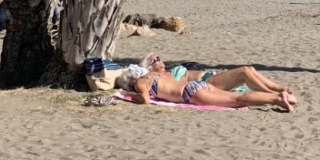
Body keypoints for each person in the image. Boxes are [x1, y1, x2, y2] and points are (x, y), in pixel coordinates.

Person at [118, 64, 294, 112]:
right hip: (197, 86)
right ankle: (284, 97)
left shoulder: (141, 82)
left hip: (189, 93)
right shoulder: (158, 74)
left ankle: (278, 99)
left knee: (237, 99)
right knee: (234, 97)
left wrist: (131, 95)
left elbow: (146, 100)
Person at [140, 54, 295, 98]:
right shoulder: (160, 78)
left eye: (160, 57)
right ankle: (273, 94)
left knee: (250, 69)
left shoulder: (169, 71)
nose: (161, 60)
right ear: (149, 66)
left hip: (211, 76)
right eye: (156, 59)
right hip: (207, 82)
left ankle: (279, 88)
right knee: (244, 72)